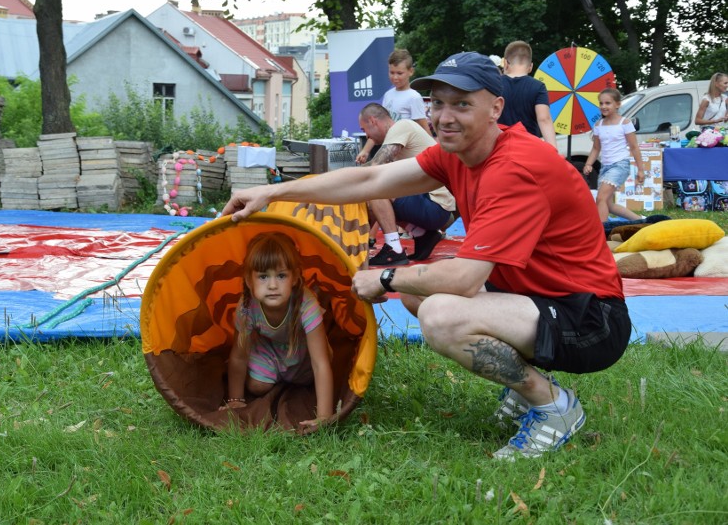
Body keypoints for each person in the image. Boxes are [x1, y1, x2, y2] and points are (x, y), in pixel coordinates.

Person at [223, 52, 632, 460]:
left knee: (440, 314)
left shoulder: (514, 167)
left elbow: (465, 279)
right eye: (438, 103)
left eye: (462, 104)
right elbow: (371, 178)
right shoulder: (458, 152)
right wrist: (273, 192)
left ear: (496, 108)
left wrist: (384, 277)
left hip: (590, 319)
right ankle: (527, 391)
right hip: (541, 299)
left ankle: (552, 405)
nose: (445, 116)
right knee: (423, 294)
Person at [220, 232, 333, 431]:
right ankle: (276, 374)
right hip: (269, 349)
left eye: (281, 276)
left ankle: (290, 376)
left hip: (303, 351)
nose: (272, 285)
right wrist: (235, 399)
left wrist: (324, 416)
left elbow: (319, 362)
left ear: (295, 277)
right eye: (263, 277)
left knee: (315, 374)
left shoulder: (307, 303)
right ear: (248, 280)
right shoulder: (247, 307)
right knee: (256, 387)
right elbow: (239, 356)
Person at [357, 103, 455, 266]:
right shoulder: (401, 137)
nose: (367, 136)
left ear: (373, 121)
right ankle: (422, 234)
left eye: (364, 129)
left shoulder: (401, 126)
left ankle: (393, 248)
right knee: (375, 196)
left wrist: (339, 178)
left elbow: (375, 169)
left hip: (435, 207)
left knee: (374, 189)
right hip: (438, 207)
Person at [356, 49, 432, 165]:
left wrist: (433, 154)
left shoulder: (414, 97)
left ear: (411, 71)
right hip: (392, 150)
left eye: (399, 73)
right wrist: (365, 151)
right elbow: (377, 126)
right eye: (392, 72)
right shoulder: (388, 95)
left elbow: (424, 128)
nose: (395, 77)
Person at [583, 88, 646, 223]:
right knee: (608, 204)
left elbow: (634, 147)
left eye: (607, 103)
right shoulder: (599, 125)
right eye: (601, 103)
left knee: (600, 198)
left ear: (618, 104)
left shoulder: (624, 123)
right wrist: (588, 163)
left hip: (620, 165)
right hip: (605, 167)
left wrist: (640, 170)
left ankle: (602, 231)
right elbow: (596, 148)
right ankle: (641, 221)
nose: (603, 106)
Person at [498, 41, 557, 144]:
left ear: (506, 63)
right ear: (530, 66)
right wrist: (554, 151)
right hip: (528, 148)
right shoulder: (538, 87)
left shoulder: (494, 84)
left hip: (499, 147)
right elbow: (544, 119)